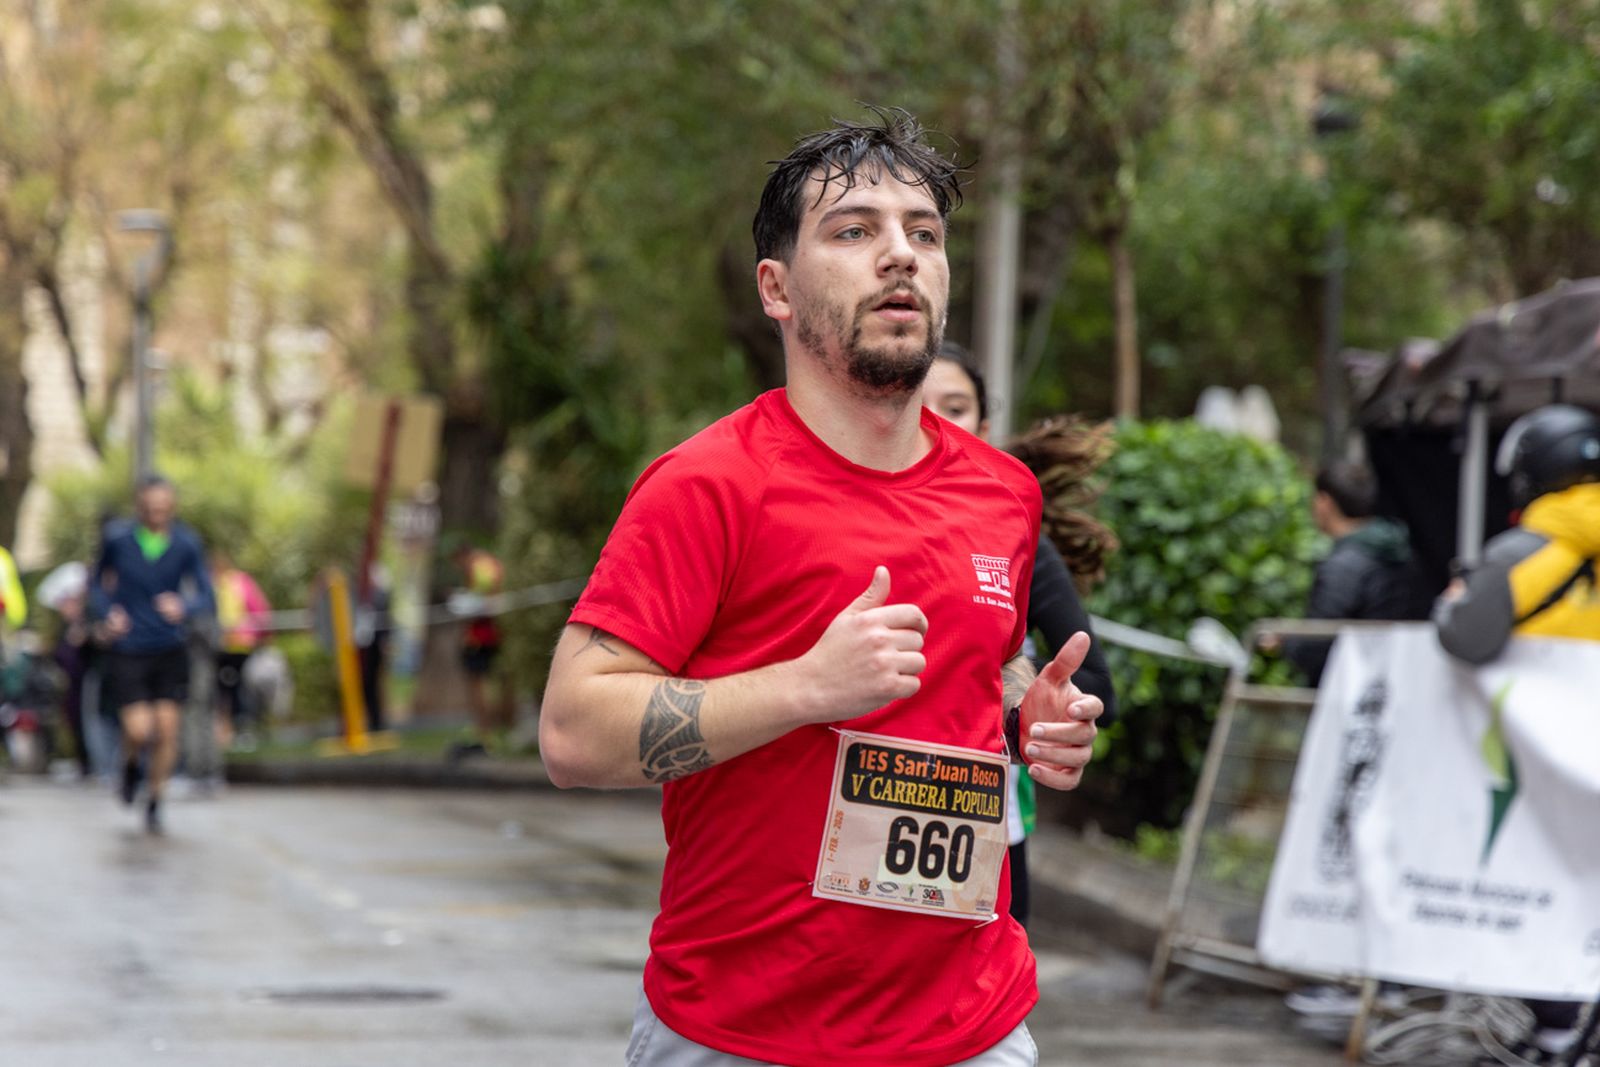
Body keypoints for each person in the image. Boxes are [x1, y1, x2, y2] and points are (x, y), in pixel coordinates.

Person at [540, 109, 1104, 1067]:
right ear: (778, 288)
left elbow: (978, 676)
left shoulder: (1002, 492)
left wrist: (1031, 719)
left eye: (923, 233)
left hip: (973, 1027)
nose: (900, 255)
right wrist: (806, 685)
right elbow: (571, 732)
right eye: (854, 231)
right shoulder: (708, 484)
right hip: (745, 1032)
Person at [923, 344, 1117, 928]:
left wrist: (1030, 708)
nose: (934, 422)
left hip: (978, 829)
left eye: (954, 407)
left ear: (983, 428)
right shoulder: (836, 510)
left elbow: (1092, 680)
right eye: (916, 402)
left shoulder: (1015, 534)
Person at [1434, 404, 1600, 1057]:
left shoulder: (1524, 549)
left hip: (1539, 763)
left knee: (1537, 879)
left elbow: (1466, 635)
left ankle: (1557, 1025)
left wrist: (1450, 600)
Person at [90, 475, 214, 834]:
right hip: (128, 646)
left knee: (167, 730)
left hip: (169, 646)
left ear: (171, 506)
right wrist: (107, 612)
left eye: (162, 507)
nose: (156, 513)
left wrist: (185, 606)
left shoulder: (186, 544)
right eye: (149, 507)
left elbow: (207, 595)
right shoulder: (118, 539)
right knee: (139, 729)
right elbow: (97, 584)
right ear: (139, 505)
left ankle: (156, 798)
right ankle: (130, 764)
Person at [1279, 460, 1418, 686]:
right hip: (1395, 684)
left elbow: (1314, 646)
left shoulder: (1343, 566)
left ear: (1325, 502)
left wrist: (1288, 644)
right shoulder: (1400, 549)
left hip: (1349, 693)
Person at [210, 549, 271, 751]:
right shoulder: (240, 581)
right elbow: (260, 609)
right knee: (234, 688)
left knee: (228, 689)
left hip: (229, 644)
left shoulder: (217, 583)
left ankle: (234, 730)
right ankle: (236, 730)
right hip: (237, 644)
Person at [452, 544, 506, 753]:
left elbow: (487, 596)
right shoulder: (491, 563)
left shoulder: (480, 567)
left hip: (480, 637)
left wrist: (467, 603)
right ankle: (488, 728)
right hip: (489, 634)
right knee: (485, 685)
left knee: (478, 685)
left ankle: (485, 729)